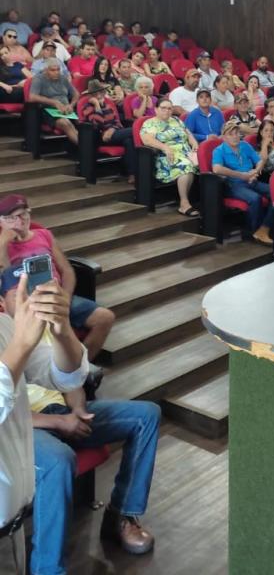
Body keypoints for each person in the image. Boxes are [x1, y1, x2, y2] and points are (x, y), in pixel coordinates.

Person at [26, 361, 158, 570]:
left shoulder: (41, 329)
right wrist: (58, 422)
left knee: (147, 415)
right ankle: (46, 569)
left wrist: (78, 410)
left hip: (63, 411)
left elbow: (70, 379)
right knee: (59, 460)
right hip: (24, 425)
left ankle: (121, 514)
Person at [0, 263, 88, 575]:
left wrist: (63, 331)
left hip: (11, 526)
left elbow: (63, 376)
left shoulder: (3, 325)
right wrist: (22, 343)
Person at [0, 195, 115, 363]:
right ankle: (62, 376)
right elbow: (5, 280)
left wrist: (66, 297)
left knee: (105, 318)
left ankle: (82, 368)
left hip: (57, 295)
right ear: (2, 222)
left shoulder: (43, 234)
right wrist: (3, 244)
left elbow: (67, 270)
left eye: (23, 214)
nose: (20, 221)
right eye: (12, 218)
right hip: (27, 304)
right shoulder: (2, 245)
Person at [211, 122, 273, 244]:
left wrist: (255, 171)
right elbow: (216, 169)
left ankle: (264, 228)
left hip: (252, 179)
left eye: (237, 133)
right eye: (231, 134)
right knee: (255, 199)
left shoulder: (245, 145)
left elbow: (260, 160)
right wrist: (242, 175)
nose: (235, 136)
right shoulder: (219, 150)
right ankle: (251, 232)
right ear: (224, 137)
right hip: (234, 184)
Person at [140, 99, 199, 217]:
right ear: (156, 109)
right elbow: (147, 140)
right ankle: (184, 203)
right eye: (163, 108)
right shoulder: (150, 123)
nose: (167, 111)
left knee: (200, 164)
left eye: (169, 108)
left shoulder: (176, 120)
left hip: (185, 153)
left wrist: (195, 144)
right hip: (166, 156)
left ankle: (196, 201)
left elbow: (188, 133)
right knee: (186, 166)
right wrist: (165, 147)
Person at [80, 80, 136, 182]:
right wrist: (97, 106)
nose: (99, 95)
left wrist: (112, 129)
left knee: (129, 141)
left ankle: (131, 174)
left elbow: (117, 122)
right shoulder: (87, 107)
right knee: (136, 130)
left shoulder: (108, 105)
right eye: (96, 94)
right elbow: (97, 124)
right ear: (91, 96)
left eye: (101, 92)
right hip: (100, 136)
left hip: (114, 133)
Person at [28, 59, 79, 147]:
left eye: (58, 69)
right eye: (53, 70)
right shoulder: (39, 79)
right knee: (66, 123)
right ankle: (86, 150)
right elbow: (32, 97)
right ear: (46, 70)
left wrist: (71, 105)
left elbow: (76, 94)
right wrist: (53, 102)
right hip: (49, 111)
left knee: (85, 123)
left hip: (67, 110)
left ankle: (89, 147)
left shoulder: (63, 78)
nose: (56, 72)